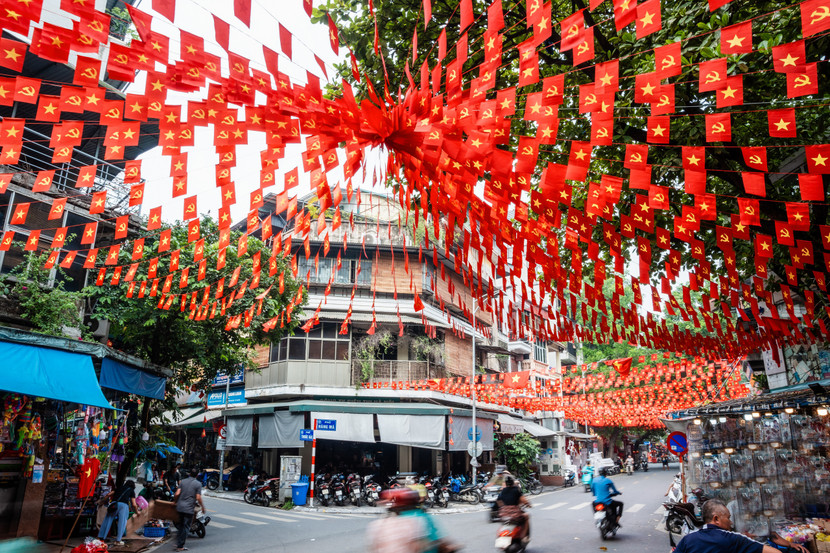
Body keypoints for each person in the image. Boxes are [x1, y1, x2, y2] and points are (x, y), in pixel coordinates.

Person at [674, 499, 783, 553]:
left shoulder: (688, 539)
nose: (731, 522)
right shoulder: (734, 538)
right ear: (716, 519)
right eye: (728, 518)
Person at [98, 480, 141, 545]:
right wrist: (137, 512)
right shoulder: (131, 490)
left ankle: (101, 539)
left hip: (114, 504)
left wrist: (102, 502)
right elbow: (134, 504)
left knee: (107, 520)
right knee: (122, 522)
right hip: (123, 506)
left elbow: (108, 494)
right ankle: (118, 541)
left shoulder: (119, 487)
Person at [173, 467, 206, 552]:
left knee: (180, 526)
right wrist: (203, 507)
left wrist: (175, 502)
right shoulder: (198, 484)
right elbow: (198, 497)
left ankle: (178, 543)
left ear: (189, 474)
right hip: (188, 509)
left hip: (180, 507)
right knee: (186, 527)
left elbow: (177, 493)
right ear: (197, 475)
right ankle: (180, 546)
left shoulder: (183, 481)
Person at [496, 475, 531, 541]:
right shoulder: (516, 490)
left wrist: (503, 507)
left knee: (503, 523)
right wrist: (528, 504)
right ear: (513, 482)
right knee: (526, 516)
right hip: (515, 514)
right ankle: (523, 537)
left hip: (503, 514)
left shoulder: (503, 491)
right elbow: (524, 500)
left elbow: (498, 501)